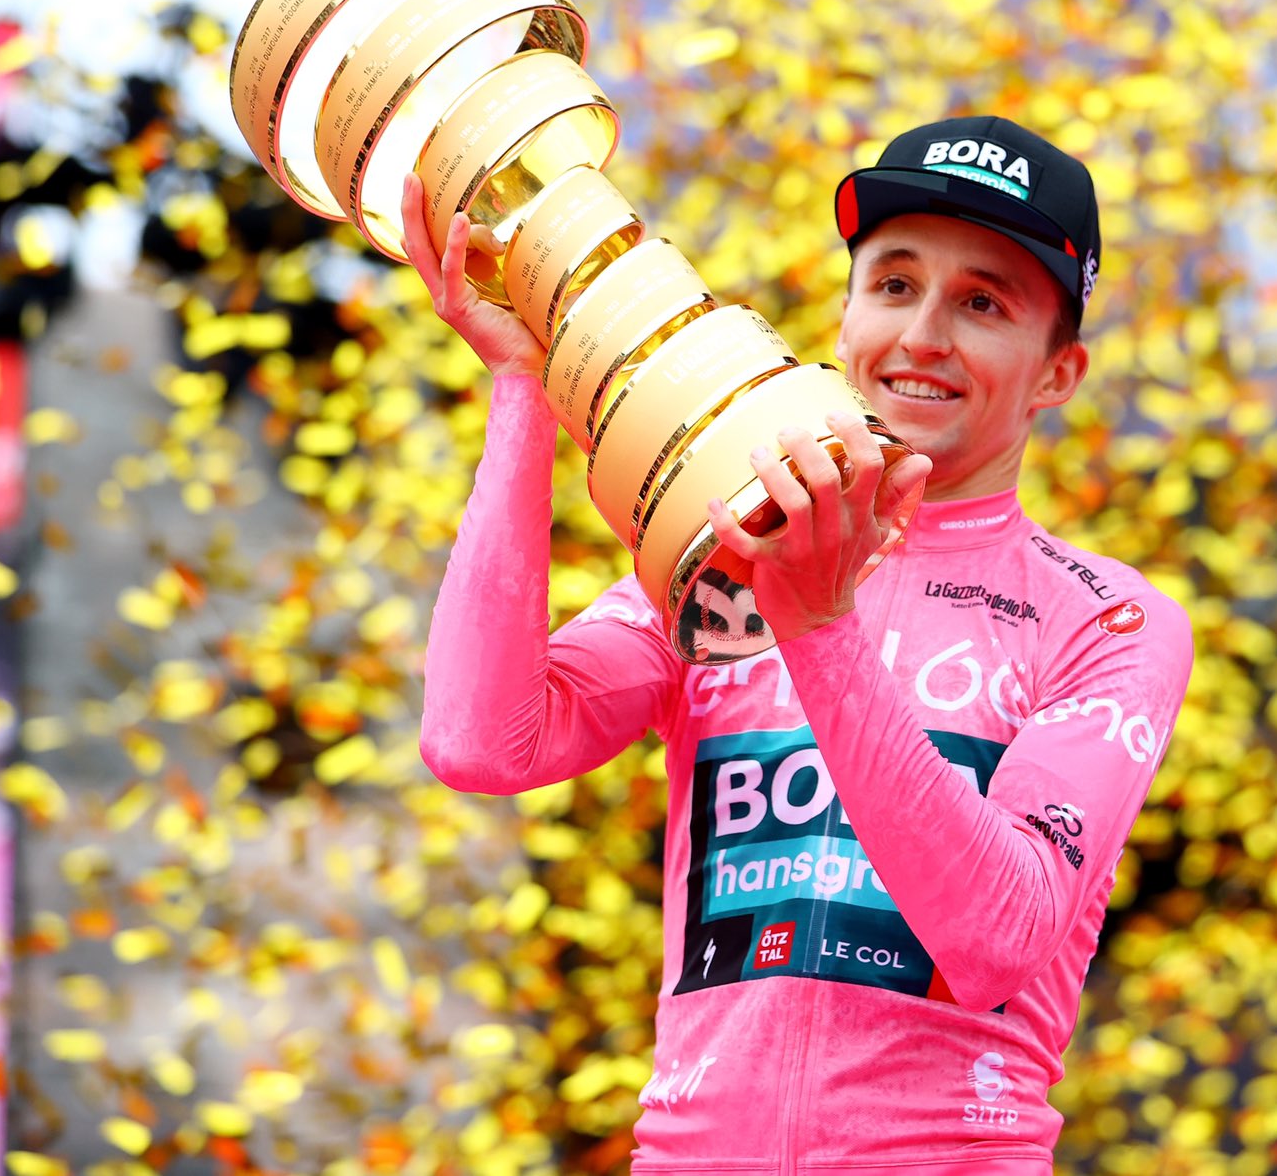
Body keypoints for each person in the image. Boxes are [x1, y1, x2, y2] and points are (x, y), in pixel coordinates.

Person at [408, 115, 1194, 1175]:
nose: (921, 333)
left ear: (1057, 373)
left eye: (981, 303)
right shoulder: (720, 548)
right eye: (893, 283)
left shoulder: (1106, 619)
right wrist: (523, 389)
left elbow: (996, 935)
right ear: (844, 310)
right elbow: (480, 742)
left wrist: (817, 626)